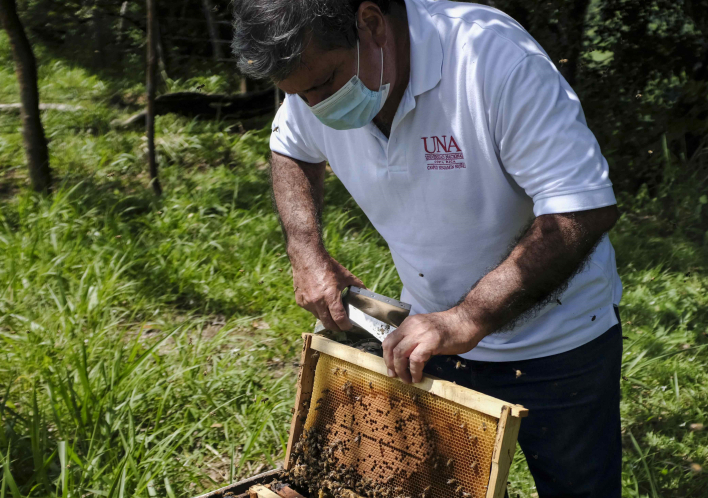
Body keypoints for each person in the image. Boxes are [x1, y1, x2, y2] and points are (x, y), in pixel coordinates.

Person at [232, 0, 623, 496]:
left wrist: (467, 317)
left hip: (559, 343)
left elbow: (580, 211)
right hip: (421, 334)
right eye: (297, 94)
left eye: (323, 85)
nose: (315, 107)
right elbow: (290, 146)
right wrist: (306, 252)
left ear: (372, 24)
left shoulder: (493, 60)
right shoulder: (316, 79)